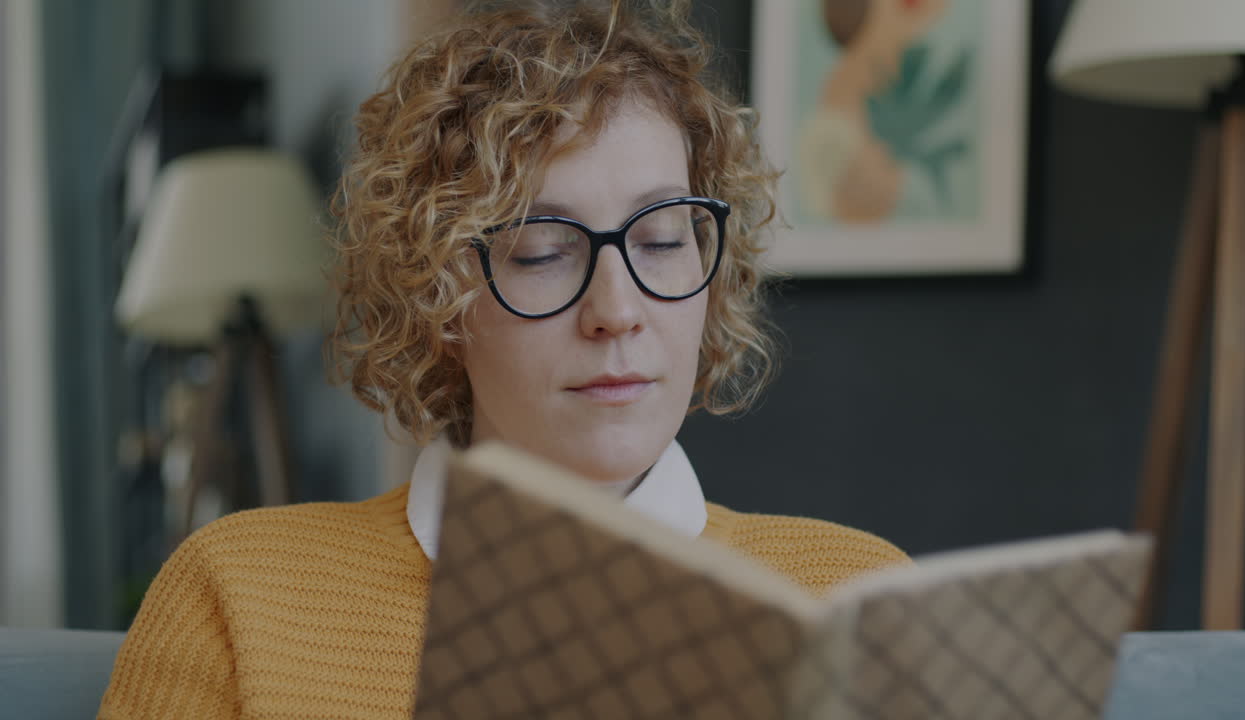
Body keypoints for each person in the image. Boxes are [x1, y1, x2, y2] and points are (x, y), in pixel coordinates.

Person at [98, 1, 907, 717]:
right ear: (437, 295)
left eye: (662, 240)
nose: (617, 311)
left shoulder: (857, 597)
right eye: (542, 252)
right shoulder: (240, 596)